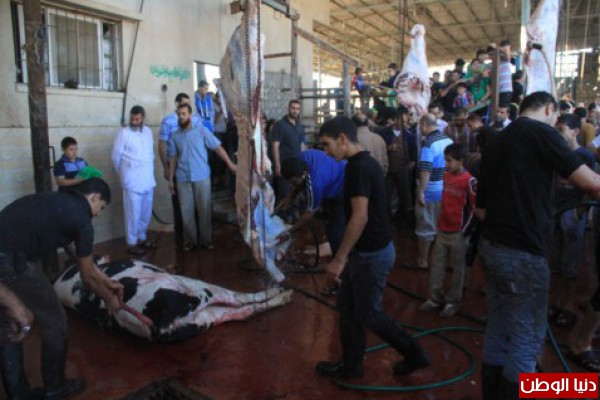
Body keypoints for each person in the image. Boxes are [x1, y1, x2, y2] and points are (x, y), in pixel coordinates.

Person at [476, 91, 600, 399]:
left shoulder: (497, 140)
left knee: (499, 327)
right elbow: (592, 184)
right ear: (549, 109)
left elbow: (481, 210)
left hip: (492, 246)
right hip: (523, 253)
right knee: (527, 338)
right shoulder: (541, 133)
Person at [315, 116, 430, 379]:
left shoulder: (359, 168)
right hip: (365, 252)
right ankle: (351, 365)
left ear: (342, 139)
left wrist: (339, 259)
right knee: (348, 309)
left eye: (327, 144)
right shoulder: (362, 164)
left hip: (372, 254)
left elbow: (360, 217)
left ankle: (414, 354)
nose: (326, 151)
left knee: (369, 313)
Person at [0, 178, 123, 400]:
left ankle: (17, 395)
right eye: (101, 207)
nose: (98, 214)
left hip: (4, 251)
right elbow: (87, 276)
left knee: (8, 325)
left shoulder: (61, 203)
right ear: (94, 197)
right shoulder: (82, 219)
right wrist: (108, 299)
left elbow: (82, 259)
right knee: (55, 321)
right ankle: (55, 387)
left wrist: (106, 280)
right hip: (9, 261)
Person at [167, 104, 237, 252]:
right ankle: (190, 241)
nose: (181, 117)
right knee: (186, 211)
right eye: (179, 114)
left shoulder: (201, 131)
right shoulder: (174, 136)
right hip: (182, 178)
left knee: (204, 209)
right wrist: (171, 178)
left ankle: (206, 240)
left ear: (190, 115)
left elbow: (217, 148)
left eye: (184, 114)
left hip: (202, 176)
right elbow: (172, 157)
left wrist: (230, 164)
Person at [548, 114, 595, 328]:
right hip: (555, 211)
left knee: (571, 263)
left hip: (571, 212)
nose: (558, 133)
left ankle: (568, 305)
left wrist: (579, 212)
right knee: (555, 262)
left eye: (562, 129)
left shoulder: (584, 155)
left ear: (575, 131)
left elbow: (590, 186)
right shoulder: (555, 153)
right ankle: (555, 301)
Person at [279, 150, 347, 296]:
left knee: (335, 231)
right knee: (331, 224)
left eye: (294, 182)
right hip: (332, 174)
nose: (292, 184)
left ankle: (341, 277)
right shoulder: (298, 159)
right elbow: (298, 183)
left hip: (343, 185)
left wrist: (290, 231)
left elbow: (309, 214)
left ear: (303, 175)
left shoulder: (314, 183)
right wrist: (289, 197)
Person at [419, 144, 476, 317]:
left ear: (461, 161)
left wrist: (464, 231)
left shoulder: (469, 181)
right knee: (437, 266)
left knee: (458, 269)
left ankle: (453, 301)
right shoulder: (445, 176)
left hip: (458, 233)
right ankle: (434, 298)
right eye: (445, 160)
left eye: (449, 161)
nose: (446, 164)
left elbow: (473, 209)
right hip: (443, 230)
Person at [405, 114, 453, 270]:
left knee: (425, 227)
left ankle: (422, 261)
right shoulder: (448, 140)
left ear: (424, 125)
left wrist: (421, 192)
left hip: (430, 191)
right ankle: (442, 261)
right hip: (444, 189)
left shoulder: (429, 144)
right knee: (441, 226)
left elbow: (425, 171)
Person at [111, 105, 156, 256]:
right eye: (132, 119)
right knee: (133, 214)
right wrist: (124, 175)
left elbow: (150, 155)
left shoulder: (148, 132)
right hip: (132, 181)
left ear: (143, 118)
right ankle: (131, 243)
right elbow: (115, 157)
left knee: (145, 213)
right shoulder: (123, 133)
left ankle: (142, 238)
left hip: (147, 179)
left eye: (137, 119)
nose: (134, 122)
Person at [158, 93, 201, 243]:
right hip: (175, 165)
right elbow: (162, 145)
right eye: (184, 103)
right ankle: (180, 236)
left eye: (189, 103)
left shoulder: (196, 119)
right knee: (178, 201)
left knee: (196, 200)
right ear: (177, 104)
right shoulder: (168, 121)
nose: (187, 106)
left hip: (195, 165)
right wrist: (166, 167)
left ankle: (196, 235)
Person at [378, 109, 418, 227]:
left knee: (404, 196)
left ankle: (402, 220)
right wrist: (389, 148)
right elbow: (379, 149)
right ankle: (386, 220)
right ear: (395, 120)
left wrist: (412, 162)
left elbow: (414, 151)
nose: (406, 121)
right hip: (388, 170)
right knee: (386, 195)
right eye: (403, 119)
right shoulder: (384, 133)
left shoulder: (409, 135)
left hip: (403, 169)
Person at [271, 100, 306, 203]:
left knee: (295, 194)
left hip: (297, 166)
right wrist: (277, 165)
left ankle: (292, 212)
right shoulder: (280, 125)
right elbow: (275, 146)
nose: (295, 111)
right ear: (288, 109)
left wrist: (304, 164)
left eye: (297, 109)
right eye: (293, 108)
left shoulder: (300, 126)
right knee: (284, 194)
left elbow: (302, 145)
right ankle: (281, 212)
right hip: (284, 166)